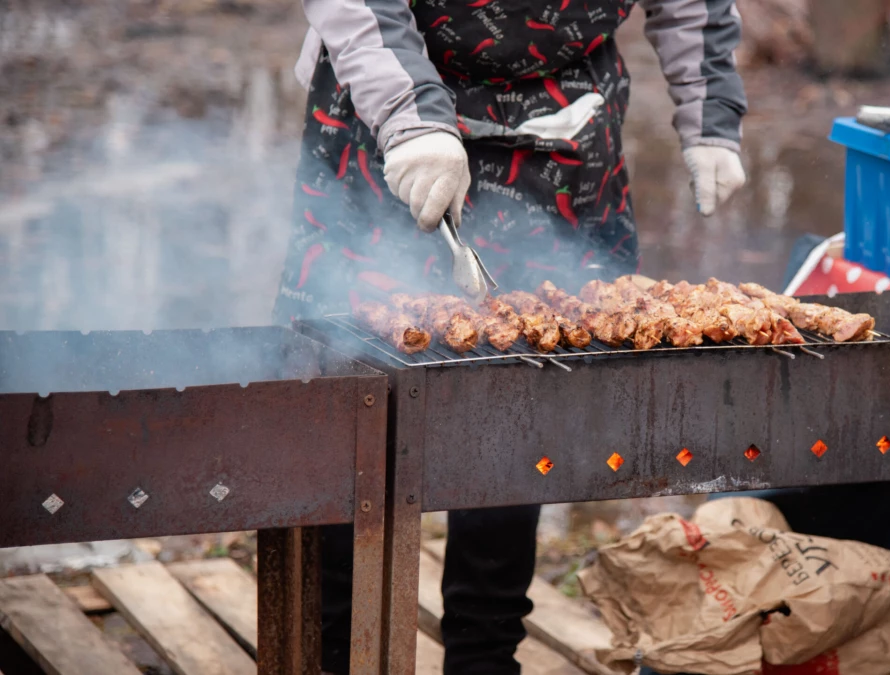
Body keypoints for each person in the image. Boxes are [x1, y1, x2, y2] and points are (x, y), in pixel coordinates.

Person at [275, 0, 749, 671]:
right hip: (384, 114)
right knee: (346, 388)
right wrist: (413, 119)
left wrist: (710, 118)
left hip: (564, 127)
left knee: (521, 398)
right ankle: (330, 648)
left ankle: (485, 654)